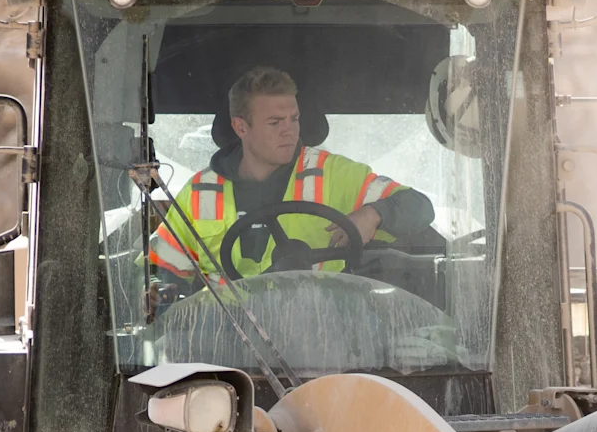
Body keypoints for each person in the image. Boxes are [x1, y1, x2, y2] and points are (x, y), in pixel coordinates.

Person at [148, 65, 434, 290]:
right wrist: (158, 290)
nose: (289, 131)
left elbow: (420, 206)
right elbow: (161, 270)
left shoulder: (334, 175)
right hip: (228, 344)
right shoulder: (200, 192)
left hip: (323, 338)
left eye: (294, 119)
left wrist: (373, 214)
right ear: (240, 127)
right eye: (275, 122)